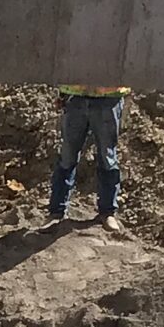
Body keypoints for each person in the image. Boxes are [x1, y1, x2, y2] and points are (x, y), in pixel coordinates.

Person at [49, 85, 131, 228]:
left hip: (108, 98)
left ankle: (107, 212)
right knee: (68, 155)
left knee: (107, 157)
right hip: (75, 97)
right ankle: (56, 212)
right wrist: (62, 93)